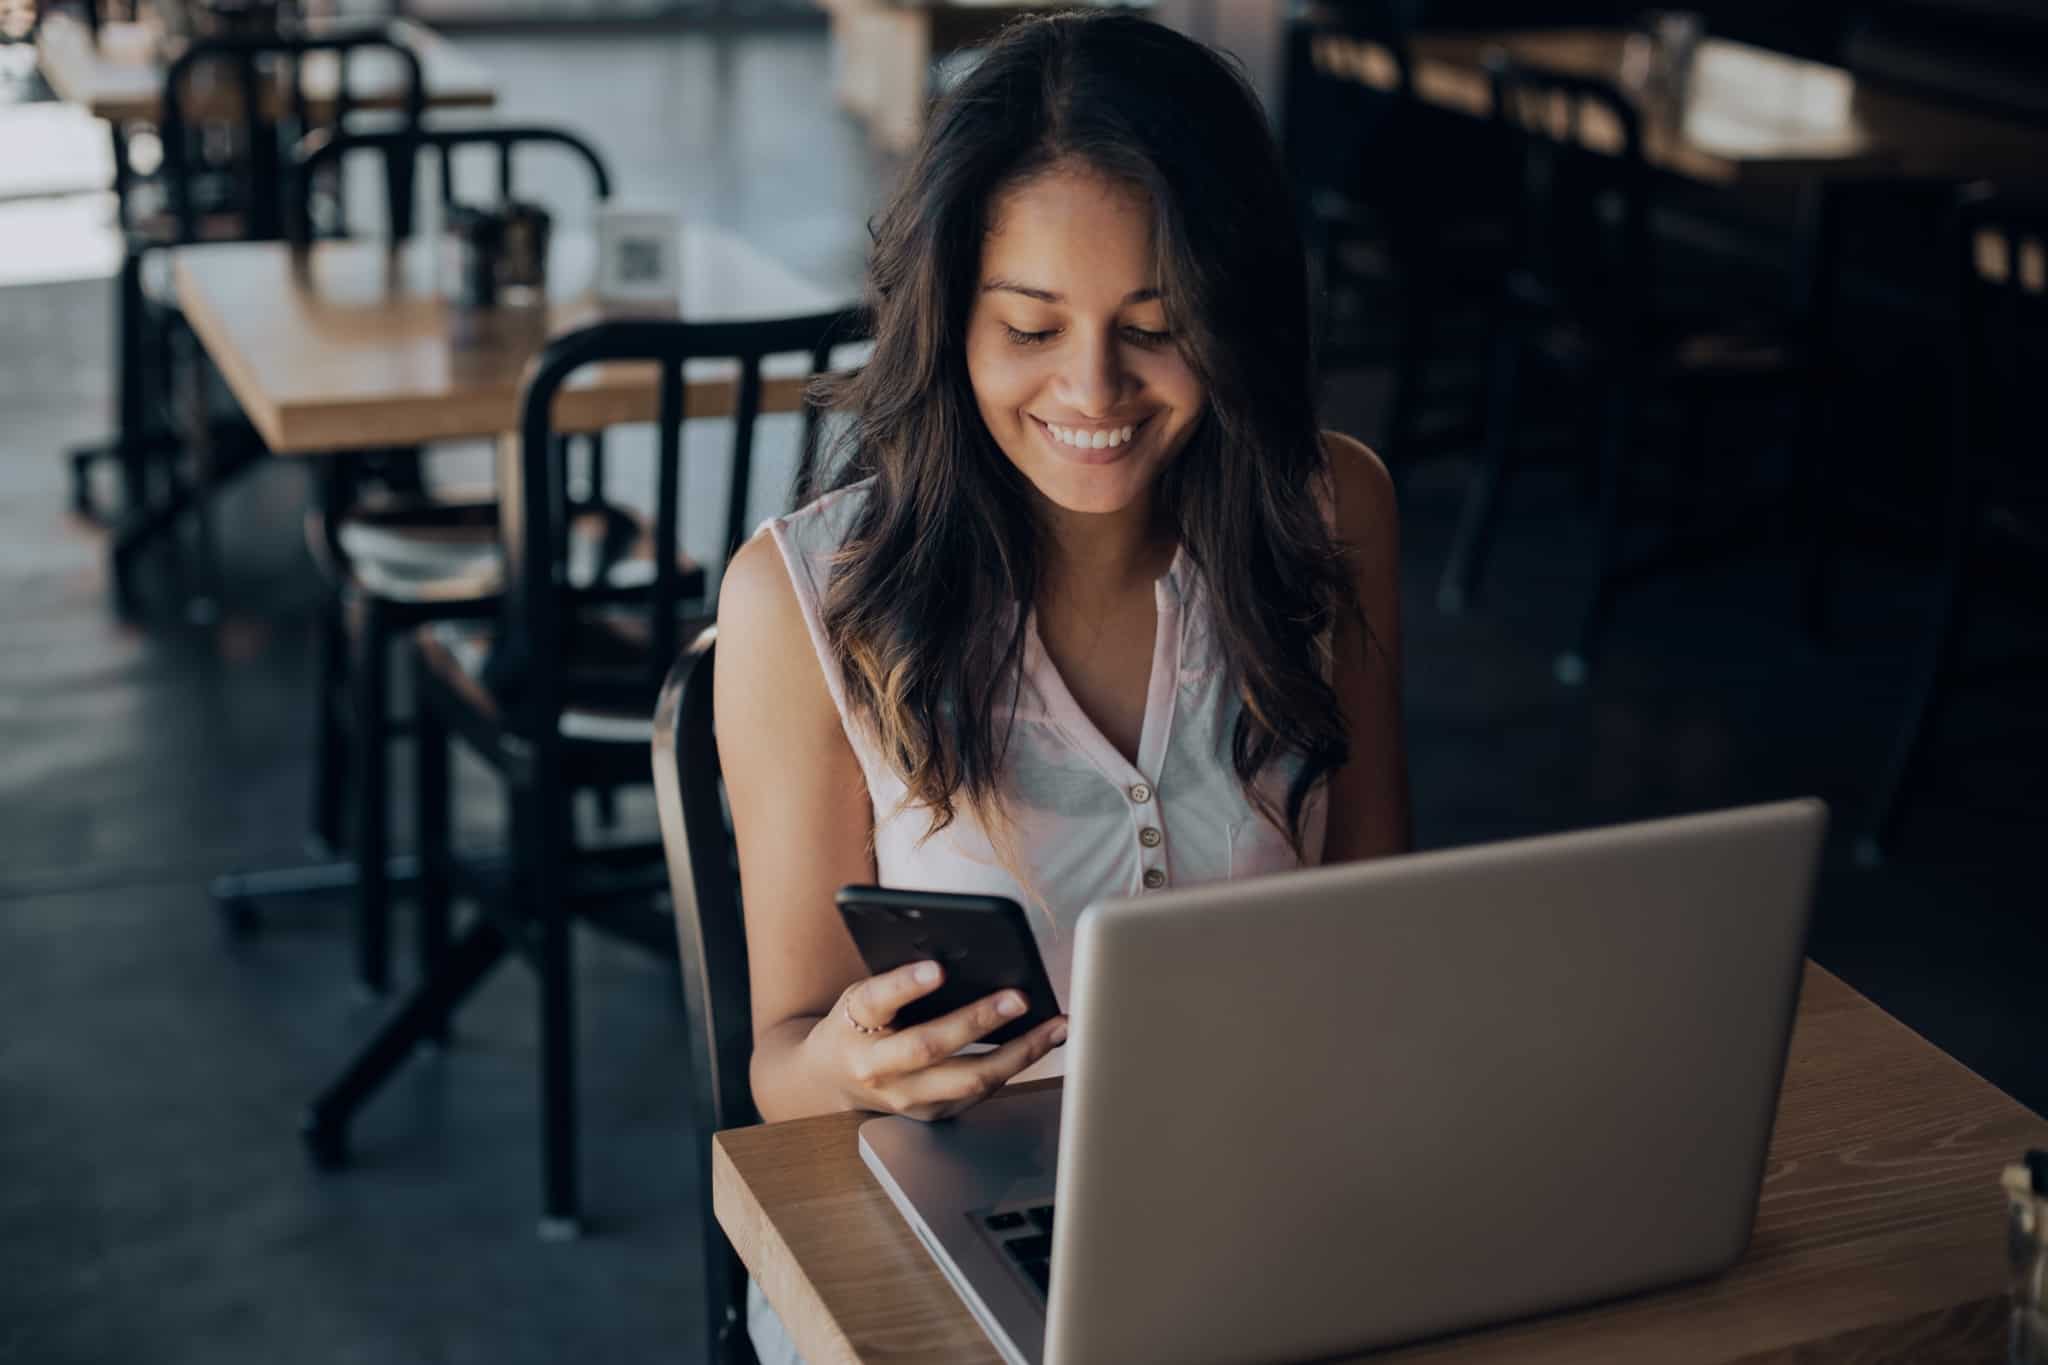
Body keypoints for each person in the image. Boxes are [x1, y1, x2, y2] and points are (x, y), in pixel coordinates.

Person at [714, 11, 1408, 1357]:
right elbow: (782, 1065)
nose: (1094, 389)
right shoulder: (801, 603)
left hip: (1268, 1193)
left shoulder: (1335, 515)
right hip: (948, 1229)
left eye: (1158, 326)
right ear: (949, 316)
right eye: (1031, 326)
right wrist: (853, 1060)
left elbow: (1385, 924)